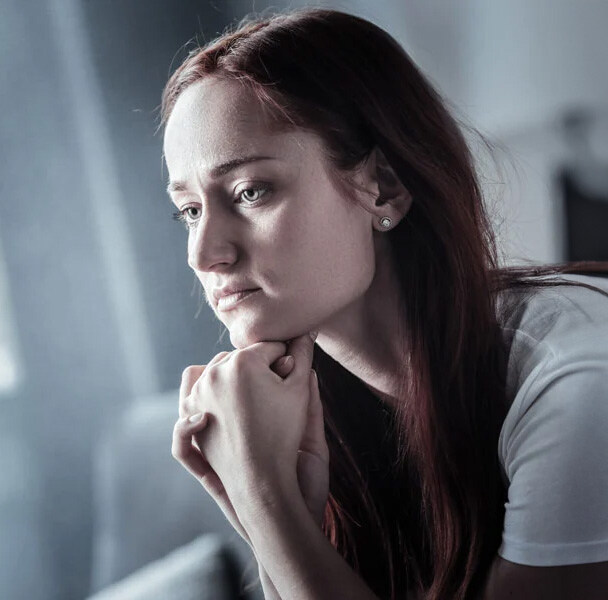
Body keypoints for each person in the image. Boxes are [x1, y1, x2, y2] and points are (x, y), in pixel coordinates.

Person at [162, 8, 608, 600]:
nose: (204, 253)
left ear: (384, 186)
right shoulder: (306, 411)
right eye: (190, 210)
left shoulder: (580, 381)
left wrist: (262, 496)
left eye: (249, 192)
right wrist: (268, 503)